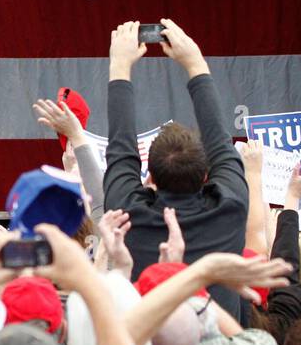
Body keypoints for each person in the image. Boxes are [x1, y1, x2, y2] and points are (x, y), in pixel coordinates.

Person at [103, 20, 249, 315]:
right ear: (207, 175)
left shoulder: (126, 216)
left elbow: (120, 150)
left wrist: (120, 66)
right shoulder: (230, 206)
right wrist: (195, 62)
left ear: (150, 177)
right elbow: (221, 144)